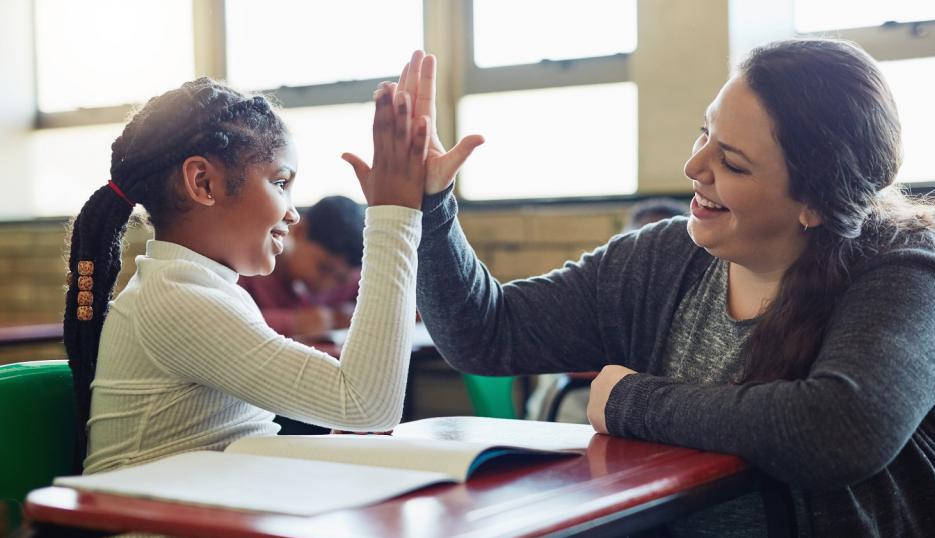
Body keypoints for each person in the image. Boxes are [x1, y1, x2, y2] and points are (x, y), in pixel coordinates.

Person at [393, 41, 935, 538]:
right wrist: (431, 208)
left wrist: (629, 399)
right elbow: (486, 335)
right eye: (705, 131)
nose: (694, 165)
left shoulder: (905, 269)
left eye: (732, 163)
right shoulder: (660, 258)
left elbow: (838, 429)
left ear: (815, 202)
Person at [63, 75, 460, 475]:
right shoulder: (175, 300)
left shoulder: (201, 287)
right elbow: (368, 405)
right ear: (203, 182)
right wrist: (394, 214)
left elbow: (253, 440)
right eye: (280, 182)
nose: (292, 212)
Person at [526, 196, 690, 423]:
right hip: (565, 428)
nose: (638, 267)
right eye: (631, 248)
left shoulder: (687, 312)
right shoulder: (600, 300)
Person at [238, 195, 364, 340]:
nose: (327, 284)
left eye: (341, 280)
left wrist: (357, 313)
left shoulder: (350, 274)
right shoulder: (247, 264)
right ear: (299, 231)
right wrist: (294, 323)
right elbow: (227, 319)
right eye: (323, 268)